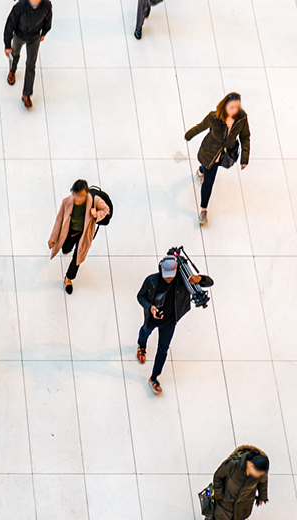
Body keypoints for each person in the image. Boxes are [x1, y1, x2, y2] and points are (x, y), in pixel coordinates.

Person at [136, 256, 214, 394]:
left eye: (171, 276)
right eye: (166, 276)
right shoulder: (152, 280)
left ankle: (154, 378)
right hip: (152, 318)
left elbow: (210, 282)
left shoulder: (184, 281)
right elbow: (140, 296)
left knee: (163, 350)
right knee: (145, 331)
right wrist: (150, 307)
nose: (168, 279)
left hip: (170, 322)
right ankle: (141, 346)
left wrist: (200, 279)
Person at [184, 92, 250, 225]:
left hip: (226, 154)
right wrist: (189, 135)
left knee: (206, 171)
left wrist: (244, 158)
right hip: (210, 154)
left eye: (237, 107)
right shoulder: (214, 117)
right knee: (208, 182)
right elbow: (200, 127)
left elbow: (245, 137)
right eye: (232, 107)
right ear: (225, 106)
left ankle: (200, 171)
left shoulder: (242, 119)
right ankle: (203, 209)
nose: (235, 110)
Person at [48, 179, 109, 294]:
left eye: (81, 196)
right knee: (66, 248)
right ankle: (66, 249)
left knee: (77, 258)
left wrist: (96, 215)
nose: (78, 199)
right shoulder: (66, 202)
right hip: (70, 232)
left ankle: (68, 278)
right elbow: (59, 219)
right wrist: (53, 238)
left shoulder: (94, 201)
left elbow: (106, 209)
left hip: (84, 235)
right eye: (76, 195)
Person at [3, 0, 53, 108]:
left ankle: (26, 94)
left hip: (34, 37)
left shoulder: (46, 5)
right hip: (19, 35)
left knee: (31, 65)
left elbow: (48, 21)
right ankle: (12, 71)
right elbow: (10, 23)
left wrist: (43, 33)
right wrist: (7, 44)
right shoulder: (21, 5)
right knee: (14, 53)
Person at [209, 446, 269, 520]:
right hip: (225, 504)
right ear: (251, 465)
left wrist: (262, 497)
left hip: (243, 507)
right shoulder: (233, 464)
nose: (260, 475)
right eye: (258, 473)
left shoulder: (260, 473)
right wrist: (219, 495)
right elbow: (218, 476)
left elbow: (263, 483)